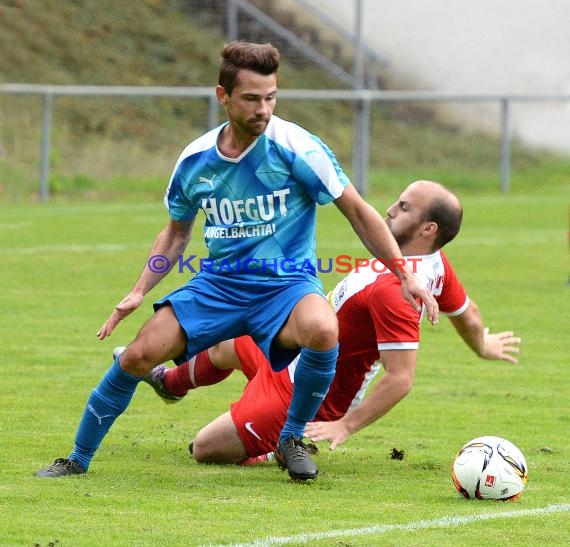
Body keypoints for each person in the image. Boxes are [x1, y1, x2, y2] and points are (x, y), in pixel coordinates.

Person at [35, 41, 437, 481]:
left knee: (324, 329)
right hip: (219, 286)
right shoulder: (195, 161)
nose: (263, 109)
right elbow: (175, 234)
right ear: (222, 97)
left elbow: (359, 212)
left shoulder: (298, 147)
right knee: (137, 355)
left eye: (271, 97)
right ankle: (77, 459)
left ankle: (291, 438)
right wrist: (138, 290)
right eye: (251, 99)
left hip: (287, 286)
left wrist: (404, 274)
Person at [139, 180, 520, 465]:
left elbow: (400, 378)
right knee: (228, 343)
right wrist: (483, 346)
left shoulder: (395, 292)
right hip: (295, 353)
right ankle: (171, 383)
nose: (389, 209)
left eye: (403, 207)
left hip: (308, 396)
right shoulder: (426, 266)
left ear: (428, 230)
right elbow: (466, 313)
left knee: (205, 449)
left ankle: (278, 446)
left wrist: (346, 425)